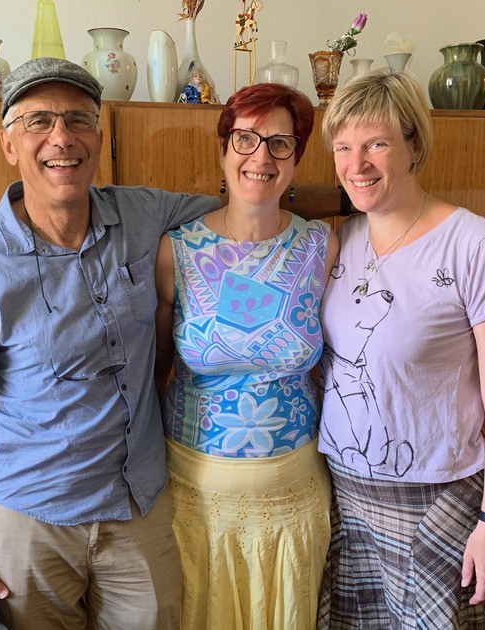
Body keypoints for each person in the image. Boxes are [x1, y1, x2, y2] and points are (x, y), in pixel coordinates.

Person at [0, 57, 223, 629]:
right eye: (38, 121)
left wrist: (353, 204)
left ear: (100, 137)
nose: (61, 138)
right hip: (28, 523)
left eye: (78, 119)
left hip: (139, 510)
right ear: (9, 143)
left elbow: (241, 210)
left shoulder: (142, 212)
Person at [316, 69, 485, 629]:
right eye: (343, 146)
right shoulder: (342, 238)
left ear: (414, 144)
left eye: (376, 144)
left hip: (436, 501)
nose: (355, 163)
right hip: (348, 499)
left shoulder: (478, 246)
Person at [154, 82, 340, 629]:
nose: (261, 157)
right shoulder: (176, 250)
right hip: (193, 499)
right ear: (223, 149)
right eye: (246, 139)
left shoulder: (322, 248)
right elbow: (158, 369)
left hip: (294, 496)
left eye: (280, 143)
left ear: (297, 158)